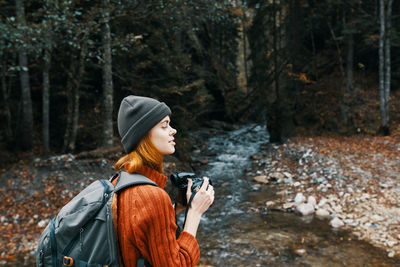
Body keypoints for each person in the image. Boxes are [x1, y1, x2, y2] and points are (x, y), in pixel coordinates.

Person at [112, 95, 215, 267]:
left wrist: (173, 211)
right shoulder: (152, 196)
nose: (173, 130)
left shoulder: (120, 181)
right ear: (144, 134)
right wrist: (195, 213)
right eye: (164, 125)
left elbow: (138, 236)